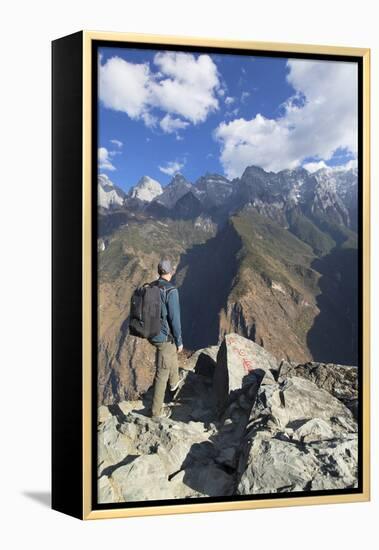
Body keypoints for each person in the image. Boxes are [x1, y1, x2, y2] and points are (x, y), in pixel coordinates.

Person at [148, 258, 184, 419]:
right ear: (171, 271)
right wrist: (179, 340)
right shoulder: (171, 291)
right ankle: (156, 412)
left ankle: (175, 384)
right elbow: (175, 320)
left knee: (170, 354)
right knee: (162, 372)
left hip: (151, 332)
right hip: (163, 336)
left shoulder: (151, 286)